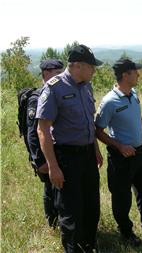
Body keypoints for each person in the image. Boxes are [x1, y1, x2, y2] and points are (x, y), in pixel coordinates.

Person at [36, 44, 103, 252]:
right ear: (79, 66)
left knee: (92, 206)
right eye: (92, 67)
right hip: (67, 157)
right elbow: (43, 129)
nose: (94, 71)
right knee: (71, 210)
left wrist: (96, 150)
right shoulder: (55, 87)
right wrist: (53, 167)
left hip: (87, 156)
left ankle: (88, 246)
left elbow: (88, 123)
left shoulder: (86, 86)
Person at [95, 59, 142, 247]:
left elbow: (137, 115)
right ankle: (126, 233)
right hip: (121, 159)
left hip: (141, 156)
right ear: (125, 75)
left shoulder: (133, 93)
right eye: (135, 72)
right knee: (122, 199)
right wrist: (119, 146)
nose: (139, 74)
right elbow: (97, 130)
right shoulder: (109, 101)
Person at [27, 59, 64, 228]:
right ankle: (53, 223)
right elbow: (33, 133)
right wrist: (41, 161)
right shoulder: (37, 99)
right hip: (44, 156)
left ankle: (60, 219)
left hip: (56, 151)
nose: (61, 77)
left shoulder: (55, 93)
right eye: (57, 73)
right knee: (50, 189)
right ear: (46, 74)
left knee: (58, 188)